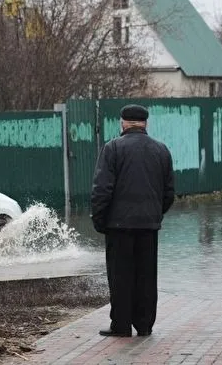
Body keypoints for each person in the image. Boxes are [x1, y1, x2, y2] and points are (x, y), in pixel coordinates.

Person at [90, 104, 175, 337]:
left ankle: (121, 325)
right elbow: (169, 193)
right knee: (146, 276)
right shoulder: (161, 150)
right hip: (148, 226)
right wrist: (155, 214)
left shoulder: (113, 148)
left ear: (123, 123)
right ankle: (145, 325)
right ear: (145, 123)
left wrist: (99, 220)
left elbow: (102, 189)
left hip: (118, 227)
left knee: (120, 276)